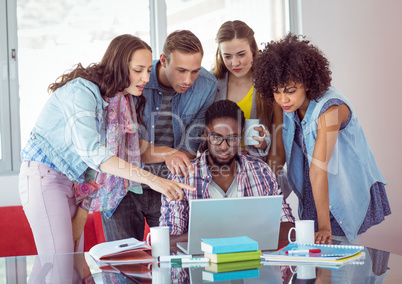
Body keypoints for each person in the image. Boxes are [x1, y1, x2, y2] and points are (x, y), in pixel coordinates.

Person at [19, 34, 195, 261]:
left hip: (73, 183)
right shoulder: (81, 91)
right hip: (44, 177)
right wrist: (152, 179)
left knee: (73, 268)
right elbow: (95, 153)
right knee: (59, 265)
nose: (145, 78)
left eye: (148, 71)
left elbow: (128, 147)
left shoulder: (120, 98)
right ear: (120, 66)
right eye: (138, 70)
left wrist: (169, 153)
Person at [253, 33, 391, 244]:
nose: (282, 99)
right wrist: (259, 192)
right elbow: (280, 151)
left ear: (307, 83)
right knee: (315, 266)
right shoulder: (285, 103)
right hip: (313, 189)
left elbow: (318, 168)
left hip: (344, 188)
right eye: (276, 92)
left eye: (290, 91)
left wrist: (324, 226)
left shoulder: (331, 109)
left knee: (341, 261)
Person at [101, 30, 218, 242]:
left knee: (175, 262)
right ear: (163, 60)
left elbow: (190, 147)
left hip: (170, 187)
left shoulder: (207, 85)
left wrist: (174, 161)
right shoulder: (135, 78)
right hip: (124, 185)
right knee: (124, 266)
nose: (188, 79)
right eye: (181, 70)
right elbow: (123, 145)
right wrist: (167, 153)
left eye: (195, 71)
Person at [160, 100, 295, 246]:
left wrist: (218, 234)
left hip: (251, 263)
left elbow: (289, 230)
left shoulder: (261, 171)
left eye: (232, 138)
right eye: (216, 138)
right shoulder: (182, 176)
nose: (224, 147)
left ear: (241, 136)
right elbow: (168, 240)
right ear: (206, 134)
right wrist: (237, 233)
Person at [211, 20, 283, 158]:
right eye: (227, 56)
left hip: (260, 169)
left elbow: (281, 142)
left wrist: (264, 144)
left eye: (241, 54)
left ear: (253, 49)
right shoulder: (212, 84)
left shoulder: (271, 82)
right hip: (222, 171)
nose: (235, 63)